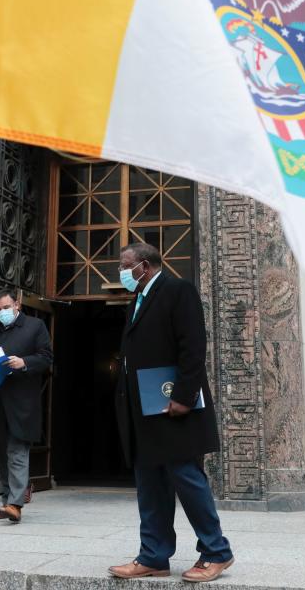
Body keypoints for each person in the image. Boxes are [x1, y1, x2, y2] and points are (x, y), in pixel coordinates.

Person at [108, 243, 234, 583]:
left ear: (144, 266)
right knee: (149, 484)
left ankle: (216, 552)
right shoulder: (137, 300)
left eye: (125, 265)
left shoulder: (178, 290)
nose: (121, 272)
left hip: (173, 407)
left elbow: (193, 346)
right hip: (144, 410)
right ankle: (154, 556)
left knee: (187, 479)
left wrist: (183, 395)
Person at [0, 289, 52, 523]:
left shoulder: (35, 326)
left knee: (17, 452)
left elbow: (46, 357)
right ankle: (7, 501)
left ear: (17, 305)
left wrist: (24, 362)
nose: (2, 312)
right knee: (2, 454)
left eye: (6, 307)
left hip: (22, 402)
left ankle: (16, 503)